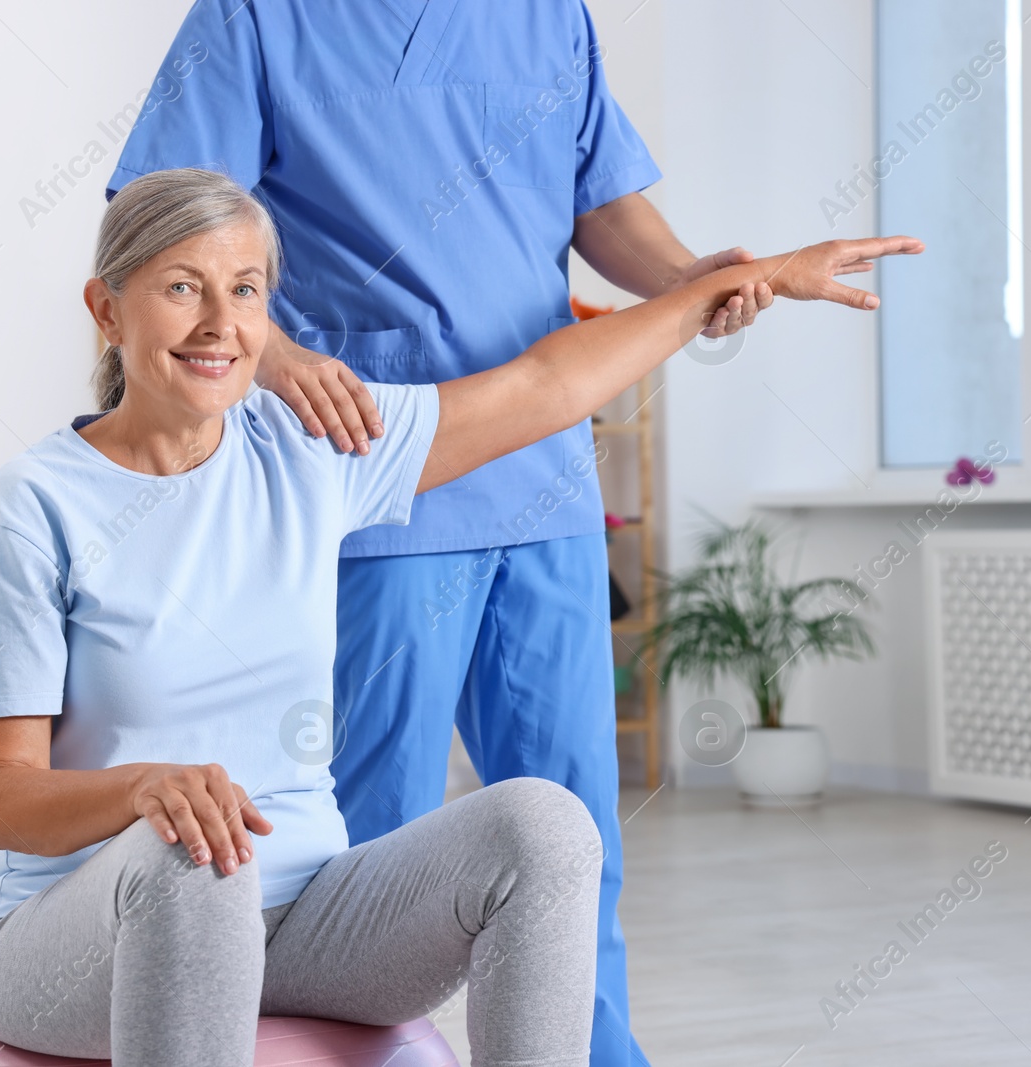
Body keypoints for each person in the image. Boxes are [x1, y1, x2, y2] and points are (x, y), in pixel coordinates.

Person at [0, 166, 919, 1064]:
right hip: (78, 939)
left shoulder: (306, 450)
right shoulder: (36, 505)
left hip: (307, 920)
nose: (219, 322)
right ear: (106, 308)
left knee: (543, 824)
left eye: (245, 290)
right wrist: (142, 789)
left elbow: (544, 385)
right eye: (181, 286)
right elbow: (2, 796)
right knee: (194, 855)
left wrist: (720, 289)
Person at [105, 8, 785, 1062]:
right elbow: (164, 218)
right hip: (376, 469)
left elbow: (601, 205)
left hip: (542, 472)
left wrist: (692, 278)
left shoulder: (549, 16)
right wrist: (275, 360)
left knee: (573, 833)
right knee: (372, 844)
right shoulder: (257, 17)